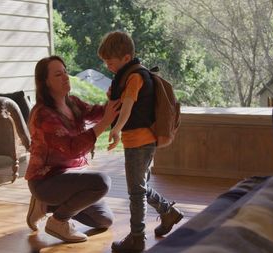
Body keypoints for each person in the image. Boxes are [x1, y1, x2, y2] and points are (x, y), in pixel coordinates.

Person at [98, 31, 184, 253]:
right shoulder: (125, 75)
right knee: (140, 188)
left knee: (135, 192)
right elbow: (119, 101)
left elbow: (127, 107)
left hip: (139, 140)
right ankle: (168, 212)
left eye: (111, 62)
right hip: (137, 140)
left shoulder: (135, 77)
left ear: (126, 58)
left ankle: (137, 238)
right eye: (105, 62)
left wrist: (116, 129)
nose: (108, 66)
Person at [25, 55, 121, 243]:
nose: (66, 77)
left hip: (71, 178)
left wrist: (113, 101)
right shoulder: (43, 115)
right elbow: (72, 148)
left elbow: (97, 112)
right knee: (102, 182)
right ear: (45, 82)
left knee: (105, 220)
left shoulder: (72, 102)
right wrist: (106, 123)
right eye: (58, 75)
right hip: (46, 181)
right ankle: (58, 221)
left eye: (66, 72)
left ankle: (46, 206)